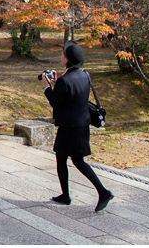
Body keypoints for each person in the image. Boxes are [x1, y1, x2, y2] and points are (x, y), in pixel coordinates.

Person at [42, 40, 114, 212]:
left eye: (62, 54)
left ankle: (102, 192)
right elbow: (72, 95)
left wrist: (47, 86)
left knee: (71, 160)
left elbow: (55, 102)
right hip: (82, 124)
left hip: (69, 127)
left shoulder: (65, 81)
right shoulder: (84, 75)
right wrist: (58, 82)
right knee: (69, 158)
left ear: (67, 59)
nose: (61, 56)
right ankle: (66, 194)